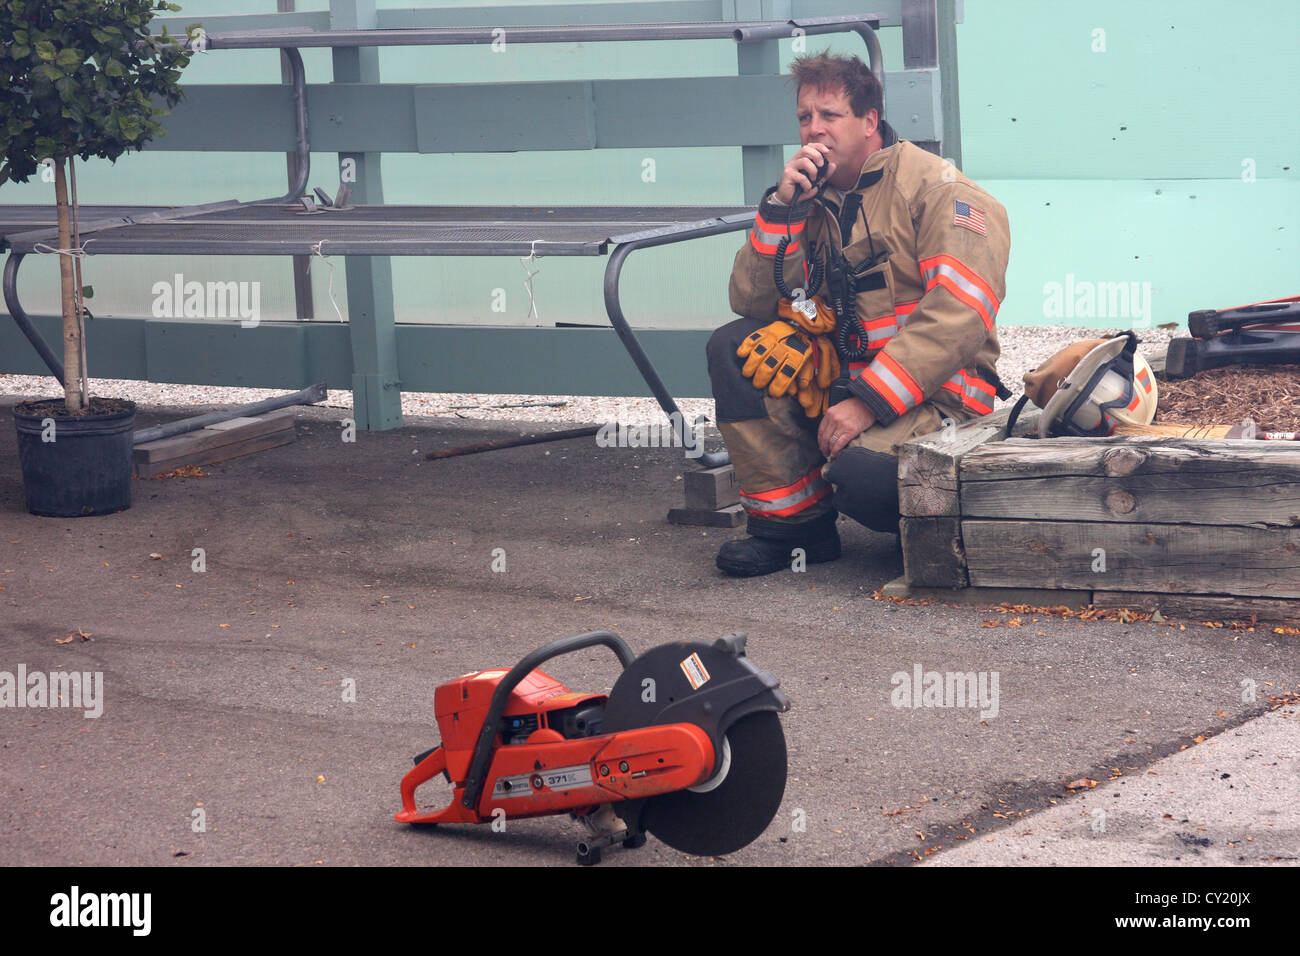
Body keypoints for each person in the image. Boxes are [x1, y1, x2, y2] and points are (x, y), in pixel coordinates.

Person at [707, 51, 1011, 577]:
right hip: (845, 383)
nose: (814, 130)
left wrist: (867, 402)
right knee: (735, 346)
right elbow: (750, 301)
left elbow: (958, 315)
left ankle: (927, 518)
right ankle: (793, 530)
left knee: (866, 479)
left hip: (939, 399)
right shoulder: (809, 196)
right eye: (805, 117)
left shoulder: (943, 192)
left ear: (870, 121)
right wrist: (782, 210)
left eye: (829, 115)